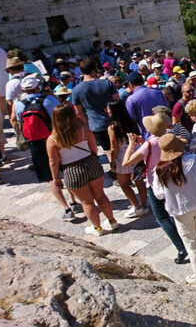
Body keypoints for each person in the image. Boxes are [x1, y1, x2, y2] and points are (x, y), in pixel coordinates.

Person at [121, 111, 188, 264]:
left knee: (162, 218)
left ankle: (180, 248)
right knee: (174, 213)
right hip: (172, 178)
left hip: (155, 182)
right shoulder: (168, 137)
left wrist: (131, 144)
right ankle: (186, 240)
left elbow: (127, 162)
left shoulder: (149, 144)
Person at [152, 134, 196, 285]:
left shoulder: (159, 170)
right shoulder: (194, 160)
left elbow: (159, 194)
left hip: (180, 210)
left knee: (191, 243)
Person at [46, 104, 118, 236]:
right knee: (100, 195)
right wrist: (93, 160)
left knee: (86, 201)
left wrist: (55, 177)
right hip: (91, 163)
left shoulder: (53, 139)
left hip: (71, 170)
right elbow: (94, 148)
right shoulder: (84, 129)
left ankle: (97, 228)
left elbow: (53, 161)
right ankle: (112, 221)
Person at [15, 75, 80, 219]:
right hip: (56, 138)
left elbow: (19, 120)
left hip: (36, 143)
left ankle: (66, 209)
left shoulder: (19, 104)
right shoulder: (49, 100)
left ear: (23, 89)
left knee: (50, 176)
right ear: (38, 87)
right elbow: (58, 118)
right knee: (65, 169)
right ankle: (73, 201)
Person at [71, 59, 119, 173]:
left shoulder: (76, 90)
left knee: (108, 149)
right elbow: (117, 100)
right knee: (119, 146)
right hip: (113, 120)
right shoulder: (107, 83)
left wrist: (87, 126)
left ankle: (115, 171)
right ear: (94, 69)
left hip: (95, 124)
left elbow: (79, 112)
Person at [107, 100, 148, 218]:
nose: (107, 111)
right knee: (139, 181)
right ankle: (144, 205)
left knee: (123, 183)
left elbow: (114, 147)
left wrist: (112, 162)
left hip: (122, 154)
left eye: (108, 109)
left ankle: (136, 206)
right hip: (135, 151)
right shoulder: (131, 122)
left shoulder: (112, 127)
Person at [124, 71, 168, 138]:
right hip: (164, 133)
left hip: (148, 137)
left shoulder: (131, 100)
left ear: (130, 84)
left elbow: (133, 121)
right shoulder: (158, 93)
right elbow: (167, 111)